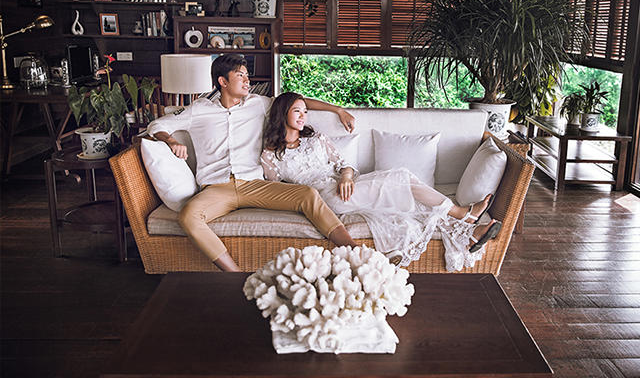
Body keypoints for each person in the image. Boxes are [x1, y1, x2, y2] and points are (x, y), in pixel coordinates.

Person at [147, 54, 357, 272]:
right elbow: (157, 125)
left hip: (254, 185)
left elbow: (293, 103)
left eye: (247, 75)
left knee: (308, 194)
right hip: (216, 188)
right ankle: (235, 275)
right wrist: (171, 141)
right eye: (240, 75)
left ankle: (355, 252)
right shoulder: (198, 109)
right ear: (223, 81)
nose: (248, 81)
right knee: (188, 216)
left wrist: (337, 110)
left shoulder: (258, 104)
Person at [260, 92, 502, 271]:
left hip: (346, 186)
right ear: (283, 113)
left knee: (409, 200)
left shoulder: (317, 139)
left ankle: (468, 232)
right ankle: (462, 216)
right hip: (325, 199)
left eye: (305, 111)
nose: (303, 116)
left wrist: (346, 176)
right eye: (297, 111)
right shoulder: (270, 156)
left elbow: (344, 164)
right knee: (402, 179)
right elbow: (278, 192)